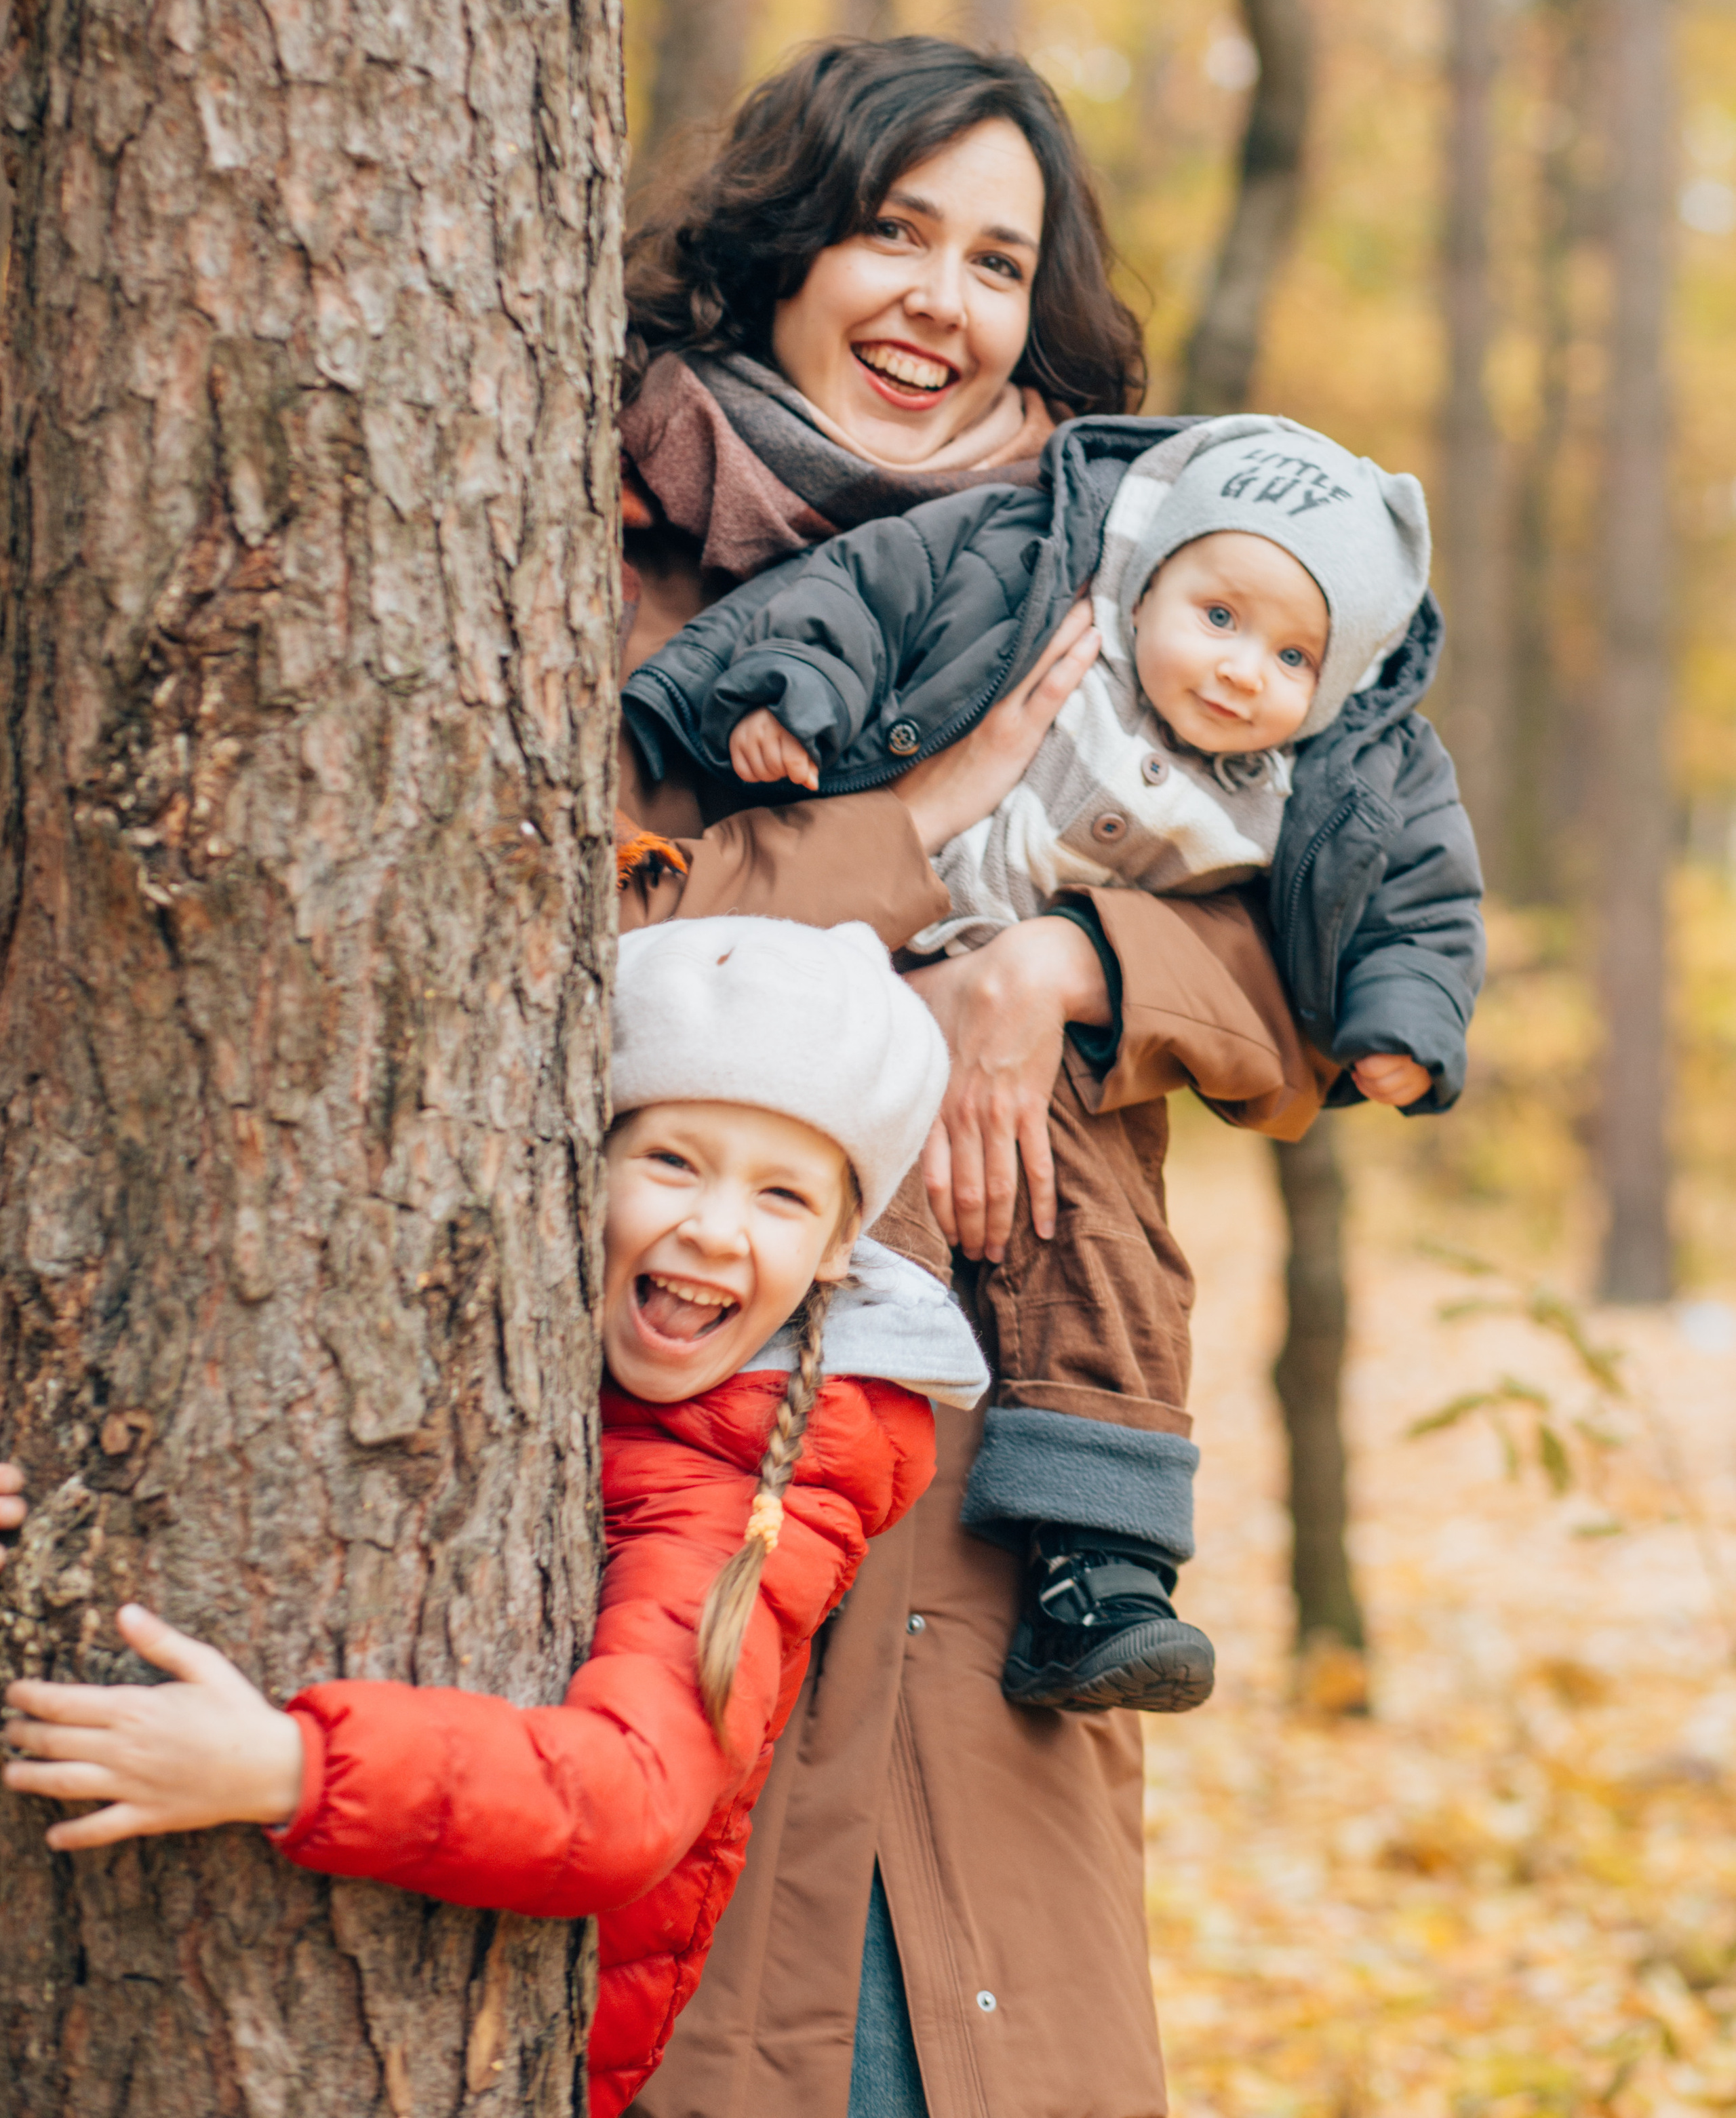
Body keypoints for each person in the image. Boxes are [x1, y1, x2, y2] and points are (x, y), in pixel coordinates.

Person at [2, 918, 985, 2118]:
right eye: (673, 1160)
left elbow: (624, 1798)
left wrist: (285, 1764)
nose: (720, 1228)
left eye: (782, 1195)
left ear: (840, 1249)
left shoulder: (753, 1489)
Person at [625, 409, 1485, 1713]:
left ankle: (1106, 1559)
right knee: (864, 1232)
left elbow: (1420, 889)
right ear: (1150, 575)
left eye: (1293, 652)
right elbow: (856, 603)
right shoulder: (1039, 598)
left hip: (1071, 1062)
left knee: (1114, 1261)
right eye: (1219, 617)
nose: (1246, 670)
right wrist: (794, 698)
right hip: (868, 975)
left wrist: (1403, 1021)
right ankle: (795, 1472)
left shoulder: (1326, 762)